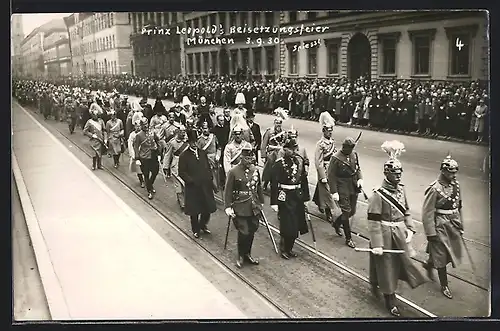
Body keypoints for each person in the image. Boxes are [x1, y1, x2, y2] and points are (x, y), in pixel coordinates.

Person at [367, 140, 426, 317]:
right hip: (384, 236)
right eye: (395, 173)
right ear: (387, 174)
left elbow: (406, 210)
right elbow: (373, 220)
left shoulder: (401, 190)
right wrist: (376, 243)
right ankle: (390, 300)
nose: (399, 176)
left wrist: (410, 227)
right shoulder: (378, 194)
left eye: (400, 173)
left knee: (402, 264)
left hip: (400, 234)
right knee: (386, 268)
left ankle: (375, 282)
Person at [422, 154, 465, 300]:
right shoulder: (434, 189)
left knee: (449, 254)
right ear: (443, 171)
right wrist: (431, 233)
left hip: (452, 223)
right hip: (439, 224)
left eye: (455, 172)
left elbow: (458, 206)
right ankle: (444, 285)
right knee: (441, 254)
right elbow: (427, 213)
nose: (454, 175)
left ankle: (429, 264)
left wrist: (461, 225)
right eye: (451, 172)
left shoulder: (456, 185)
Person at [224, 142, 264, 268]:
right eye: (246, 158)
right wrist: (228, 206)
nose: (249, 161)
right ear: (241, 157)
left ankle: (248, 254)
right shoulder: (233, 171)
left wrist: (261, 203)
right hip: (240, 207)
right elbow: (228, 190)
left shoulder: (255, 171)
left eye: (251, 158)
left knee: (251, 231)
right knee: (243, 232)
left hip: (253, 207)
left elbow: (259, 188)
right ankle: (241, 255)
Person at [270, 138, 309, 259]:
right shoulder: (278, 164)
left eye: (295, 149)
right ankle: (283, 249)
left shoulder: (298, 162)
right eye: (291, 149)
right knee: (287, 225)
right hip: (285, 196)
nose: (293, 151)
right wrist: (274, 202)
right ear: (285, 149)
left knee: (296, 224)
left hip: (297, 196)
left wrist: (305, 197)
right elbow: (274, 184)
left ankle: (290, 248)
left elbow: (303, 180)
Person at [179, 129, 217, 238]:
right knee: (194, 211)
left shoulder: (202, 153)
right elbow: (182, 172)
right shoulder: (184, 156)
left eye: (196, 141)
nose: (195, 144)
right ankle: (195, 229)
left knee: (207, 209)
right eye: (192, 142)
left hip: (205, 186)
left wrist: (211, 180)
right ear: (189, 142)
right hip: (193, 187)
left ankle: (202, 225)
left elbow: (208, 168)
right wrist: (191, 181)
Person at [327, 137, 363, 248]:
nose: (350, 151)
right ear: (344, 147)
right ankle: (348, 238)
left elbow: (357, 168)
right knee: (346, 211)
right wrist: (334, 192)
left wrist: (360, 178)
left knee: (352, 211)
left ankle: (337, 223)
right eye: (348, 148)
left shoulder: (354, 154)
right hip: (341, 186)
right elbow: (331, 175)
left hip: (353, 185)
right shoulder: (336, 158)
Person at [313, 111, 337, 223]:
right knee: (327, 190)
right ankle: (329, 212)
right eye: (328, 131)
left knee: (323, 188)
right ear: (324, 131)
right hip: (325, 169)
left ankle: (318, 201)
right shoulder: (320, 144)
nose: (330, 133)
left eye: (331, 131)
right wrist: (322, 175)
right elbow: (318, 161)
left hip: (332, 169)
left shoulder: (332, 142)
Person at [133, 117, 161, 200]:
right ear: (141, 125)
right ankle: (149, 191)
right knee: (146, 174)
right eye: (143, 125)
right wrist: (137, 158)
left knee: (155, 171)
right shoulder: (139, 135)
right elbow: (136, 147)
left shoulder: (152, 132)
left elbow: (157, 141)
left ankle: (150, 184)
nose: (145, 126)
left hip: (153, 155)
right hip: (144, 157)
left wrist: (158, 153)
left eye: (146, 124)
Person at [261, 108, 288, 190]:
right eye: (276, 123)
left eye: (280, 123)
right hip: (271, 154)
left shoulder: (284, 133)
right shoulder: (269, 132)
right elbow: (264, 144)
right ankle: (265, 183)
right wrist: (263, 155)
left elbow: (285, 143)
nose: (278, 125)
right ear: (274, 123)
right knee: (269, 169)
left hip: (280, 153)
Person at [164, 124, 189, 209]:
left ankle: (186, 200)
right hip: (176, 166)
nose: (183, 133)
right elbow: (168, 154)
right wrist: (166, 167)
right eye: (181, 131)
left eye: (184, 131)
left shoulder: (187, 142)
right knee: (178, 186)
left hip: (186, 165)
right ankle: (182, 203)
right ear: (178, 132)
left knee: (186, 184)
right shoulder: (172, 142)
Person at [197, 121, 219, 191]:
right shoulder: (200, 140)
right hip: (205, 160)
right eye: (204, 128)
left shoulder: (214, 137)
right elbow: (198, 152)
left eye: (207, 128)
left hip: (214, 159)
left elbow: (219, 147)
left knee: (216, 176)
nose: (205, 130)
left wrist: (218, 155)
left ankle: (215, 188)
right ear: (201, 129)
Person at [128, 118, 145, 187]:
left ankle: (146, 179)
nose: (138, 127)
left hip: (144, 152)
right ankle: (141, 180)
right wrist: (132, 154)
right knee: (138, 168)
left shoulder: (144, 134)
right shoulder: (132, 135)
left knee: (145, 167)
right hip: (136, 153)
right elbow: (130, 145)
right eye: (136, 126)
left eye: (139, 126)